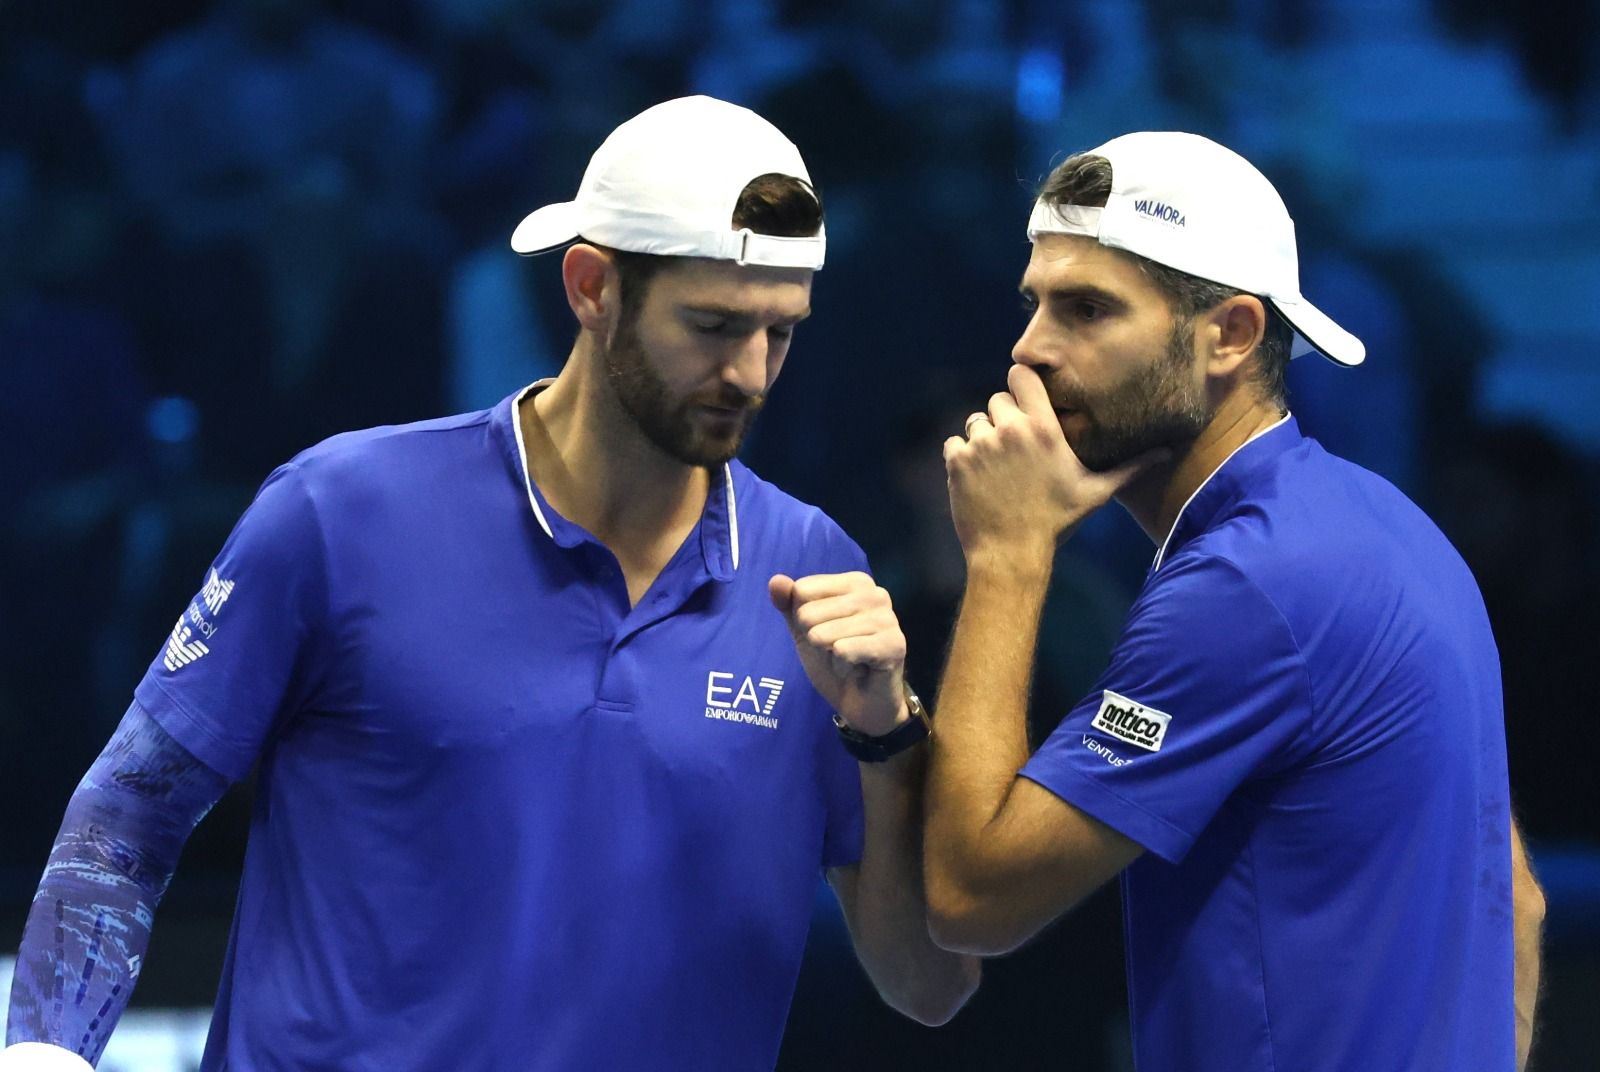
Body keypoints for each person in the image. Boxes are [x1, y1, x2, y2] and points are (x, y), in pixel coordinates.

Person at [3, 95, 977, 1071]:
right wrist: (45, 1057)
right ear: (592, 288)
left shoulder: (816, 572)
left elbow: (928, 988)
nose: (752, 374)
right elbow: (126, 815)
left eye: (781, 332)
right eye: (714, 326)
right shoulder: (342, 511)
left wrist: (887, 737)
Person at [922, 131, 1546, 1071]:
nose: (1030, 348)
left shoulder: (1247, 589)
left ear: (1232, 335)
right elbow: (1518, 906)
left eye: (1087, 309)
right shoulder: (1391, 526)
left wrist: (1007, 554)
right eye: (1035, 304)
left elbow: (972, 900)